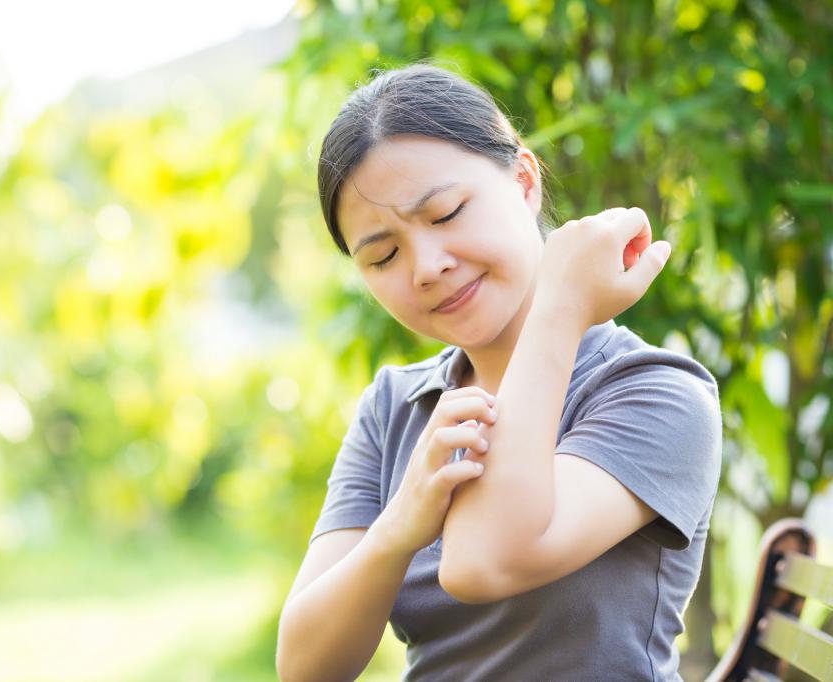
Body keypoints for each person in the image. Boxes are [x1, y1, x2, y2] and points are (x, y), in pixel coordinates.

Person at [275, 63, 723, 681]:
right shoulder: (395, 407)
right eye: (382, 255)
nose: (426, 266)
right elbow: (305, 667)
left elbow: (481, 564)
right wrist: (397, 528)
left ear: (523, 179)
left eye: (446, 213)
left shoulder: (657, 393)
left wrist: (561, 308)